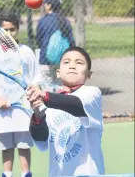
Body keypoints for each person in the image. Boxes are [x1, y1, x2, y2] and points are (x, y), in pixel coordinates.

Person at [0, 12, 41, 177]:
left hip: (24, 109)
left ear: (18, 29)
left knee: (24, 145)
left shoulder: (26, 52)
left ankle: (26, 174)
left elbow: (35, 79)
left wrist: (33, 94)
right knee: (6, 147)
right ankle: (8, 174)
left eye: (13, 29)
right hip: (2, 111)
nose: (9, 33)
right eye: (5, 30)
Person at [26, 46, 105, 176]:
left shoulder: (92, 93)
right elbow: (41, 141)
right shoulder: (51, 103)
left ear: (89, 74)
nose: (72, 66)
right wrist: (38, 116)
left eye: (79, 63)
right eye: (66, 62)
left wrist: (45, 96)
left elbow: (76, 105)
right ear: (58, 72)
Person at [35, 0, 75, 86]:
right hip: (62, 60)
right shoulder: (65, 21)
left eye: (45, 3)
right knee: (60, 86)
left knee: (46, 86)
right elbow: (71, 41)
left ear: (49, 6)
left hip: (45, 60)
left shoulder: (43, 21)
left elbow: (39, 40)